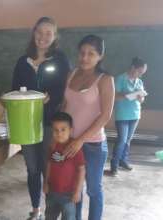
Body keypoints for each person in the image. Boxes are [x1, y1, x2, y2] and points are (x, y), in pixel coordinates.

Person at [12, 17, 71, 220]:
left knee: (50, 168)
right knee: (32, 168)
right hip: (26, 125)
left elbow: (65, 88)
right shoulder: (22, 62)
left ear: (54, 36)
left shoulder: (61, 60)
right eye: (39, 32)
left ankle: (50, 212)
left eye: (48, 33)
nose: (43, 37)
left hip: (49, 124)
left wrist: (51, 97)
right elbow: (14, 89)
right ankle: (35, 209)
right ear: (33, 33)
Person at [62, 35, 115, 220]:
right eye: (82, 53)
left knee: (93, 189)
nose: (84, 58)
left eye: (91, 54)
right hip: (69, 142)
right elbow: (66, 106)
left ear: (100, 56)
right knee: (73, 188)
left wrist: (80, 140)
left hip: (92, 145)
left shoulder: (105, 79)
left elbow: (105, 116)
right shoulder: (71, 74)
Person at [44, 112, 85, 220]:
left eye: (63, 129)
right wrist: (45, 183)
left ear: (70, 130)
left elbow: (81, 170)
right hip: (52, 192)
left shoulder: (75, 148)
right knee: (49, 216)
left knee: (68, 217)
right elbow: (49, 164)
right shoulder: (52, 146)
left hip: (69, 195)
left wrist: (77, 192)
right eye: (55, 130)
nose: (59, 133)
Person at [110, 57, 148, 176]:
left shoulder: (139, 82)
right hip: (122, 115)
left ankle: (123, 161)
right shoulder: (120, 79)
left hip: (135, 114)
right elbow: (115, 96)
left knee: (127, 141)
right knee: (121, 140)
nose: (140, 75)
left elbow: (141, 99)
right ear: (133, 68)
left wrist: (141, 97)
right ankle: (114, 166)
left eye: (142, 73)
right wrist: (130, 94)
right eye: (140, 72)